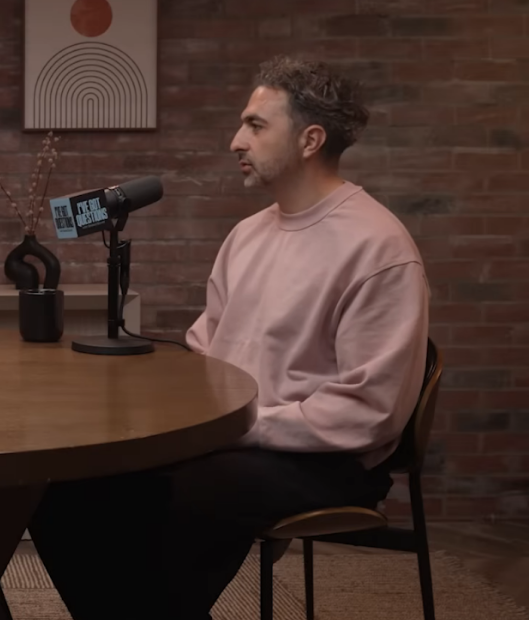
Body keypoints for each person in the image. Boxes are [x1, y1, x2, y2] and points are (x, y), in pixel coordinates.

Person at [27, 56, 430, 620]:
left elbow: (371, 412)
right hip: (231, 440)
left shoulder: (378, 247)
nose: (235, 140)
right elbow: (207, 352)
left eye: (256, 125)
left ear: (311, 139)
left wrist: (241, 429)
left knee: (196, 495)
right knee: (62, 483)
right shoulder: (246, 236)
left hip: (324, 458)